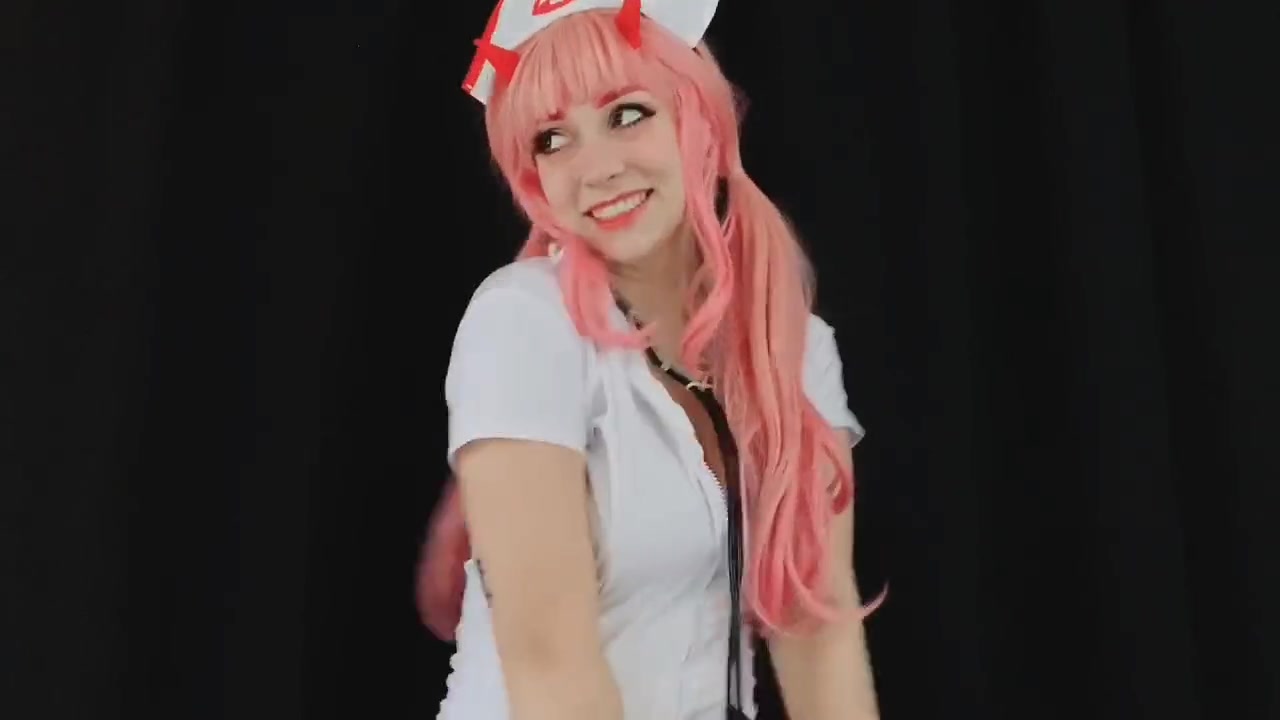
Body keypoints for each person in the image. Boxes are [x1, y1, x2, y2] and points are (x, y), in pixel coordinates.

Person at [418, 2, 881, 718]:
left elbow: (819, 633)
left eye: (627, 115)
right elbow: (551, 665)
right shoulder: (523, 325)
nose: (598, 169)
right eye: (552, 139)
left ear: (699, 122)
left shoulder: (793, 344)